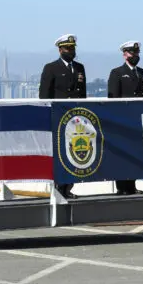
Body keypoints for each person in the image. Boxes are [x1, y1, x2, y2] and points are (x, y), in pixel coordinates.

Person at [39, 34, 87, 199]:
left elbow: (82, 94)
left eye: (72, 48)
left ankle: (68, 187)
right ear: (60, 50)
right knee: (60, 154)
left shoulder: (79, 68)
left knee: (73, 152)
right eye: (67, 48)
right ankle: (59, 187)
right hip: (59, 117)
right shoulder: (51, 68)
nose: (71, 51)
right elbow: (44, 95)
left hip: (75, 118)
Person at [107, 41, 143, 195]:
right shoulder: (117, 73)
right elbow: (113, 98)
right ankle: (122, 187)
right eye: (132, 53)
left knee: (135, 154)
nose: (135, 55)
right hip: (123, 120)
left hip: (138, 120)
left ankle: (132, 185)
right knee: (122, 155)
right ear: (125, 54)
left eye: (137, 53)